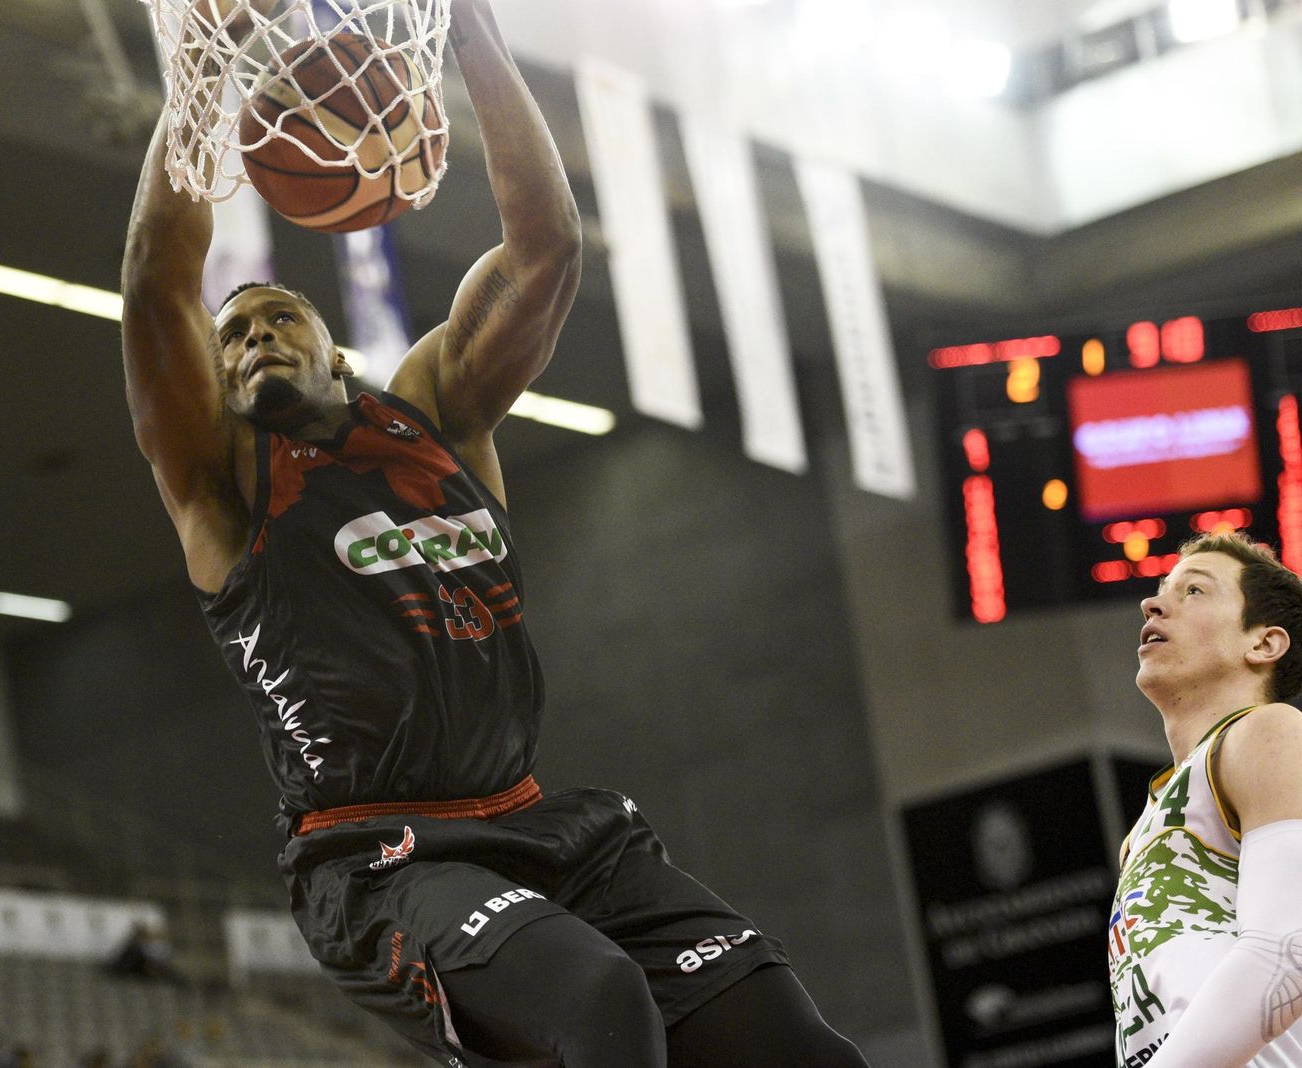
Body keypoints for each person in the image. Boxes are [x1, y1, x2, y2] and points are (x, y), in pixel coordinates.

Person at [121, 1, 866, 1064]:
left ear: (337, 354)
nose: (249, 338)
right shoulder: (223, 483)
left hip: (541, 822)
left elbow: (546, 247)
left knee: (795, 1043)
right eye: (230, 333)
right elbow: (157, 280)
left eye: (277, 315)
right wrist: (206, 76)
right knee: (598, 1002)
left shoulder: (432, 414)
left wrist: (465, 26)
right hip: (374, 857)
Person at [1111, 532, 1302, 1066]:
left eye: (1194, 591)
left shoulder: (1270, 732)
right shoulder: (1148, 823)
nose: (1153, 603)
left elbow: (1290, 953)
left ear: (1263, 644)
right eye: (1161, 589)